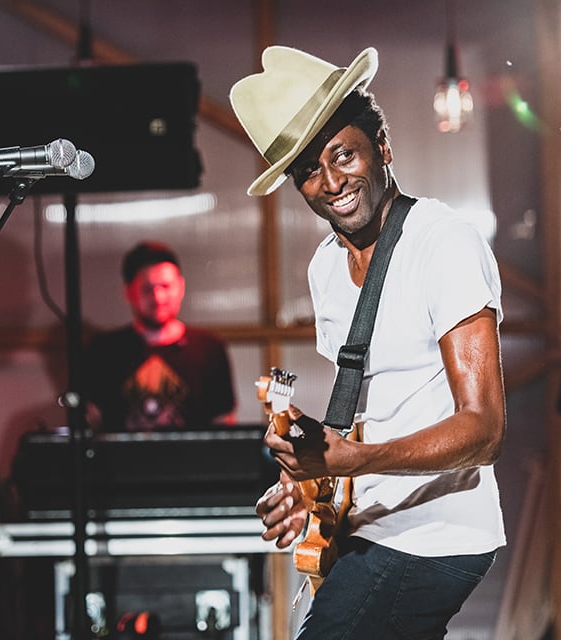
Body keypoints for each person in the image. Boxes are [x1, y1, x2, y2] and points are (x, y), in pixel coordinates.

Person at [229, 46, 506, 639]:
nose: (331, 183)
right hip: (365, 525)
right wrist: (309, 486)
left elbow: (484, 430)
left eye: (343, 154)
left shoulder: (444, 244)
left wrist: (357, 460)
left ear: (382, 147)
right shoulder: (324, 268)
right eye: (308, 170)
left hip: (435, 532)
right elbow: (364, 414)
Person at [83, 240, 236, 432]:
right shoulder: (103, 351)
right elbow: (92, 424)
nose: (158, 297)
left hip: (193, 461)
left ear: (181, 287)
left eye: (166, 286)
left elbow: (223, 425)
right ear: (128, 292)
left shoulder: (210, 349)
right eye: (148, 289)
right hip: (125, 461)